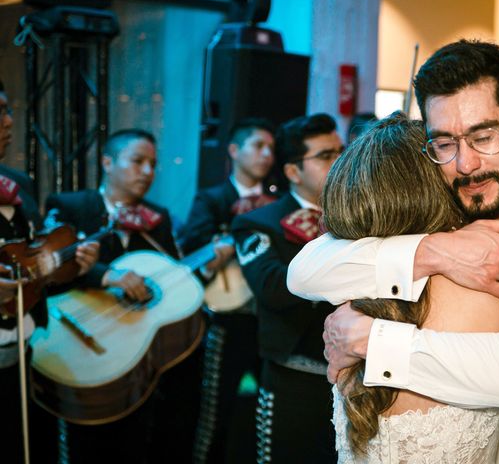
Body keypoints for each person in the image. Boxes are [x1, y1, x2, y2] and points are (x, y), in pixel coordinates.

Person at [288, 39, 499, 462]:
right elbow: (304, 271)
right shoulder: (434, 198)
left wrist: (372, 339)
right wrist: (434, 252)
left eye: (484, 137)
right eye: (444, 142)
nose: (465, 164)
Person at [45, 129, 199, 463]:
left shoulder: (157, 219)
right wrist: (105, 275)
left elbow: (172, 276)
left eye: (153, 164)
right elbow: (49, 269)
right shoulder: (69, 206)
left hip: (130, 353)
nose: (147, 172)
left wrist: (206, 266)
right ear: (107, 162)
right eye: (138, 161)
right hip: (72, 339)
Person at [230, 113, 343, 463]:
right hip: (294, 379)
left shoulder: (361, 217)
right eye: (325, 156)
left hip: (356, 382)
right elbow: (273, 288)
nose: (339, 162)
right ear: (293, 172)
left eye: (341, 152)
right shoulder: (257, 223)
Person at [0, 79, 99, 463]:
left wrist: (71, 268)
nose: (9, 122)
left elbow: (32, 261)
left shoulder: (18, 184)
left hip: (20, 356)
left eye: (9, 111)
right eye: (0, 112)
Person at [178, 117, 277, 463]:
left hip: (266, 317)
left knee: (261, 408)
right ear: (234, 151)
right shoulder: (212, 198)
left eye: (271, 149)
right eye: (258, 146)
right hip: (227, 318)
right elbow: (191, 248)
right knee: (214, 409)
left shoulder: (277, 200)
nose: (266, 155)